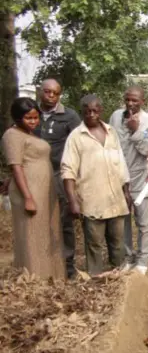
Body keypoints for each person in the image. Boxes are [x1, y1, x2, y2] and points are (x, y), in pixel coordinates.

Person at [61, 95, 133, 276]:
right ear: (82, 112)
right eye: (87, 112)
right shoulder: (76, 137)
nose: (91, 114)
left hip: (115, 197)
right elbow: (68, 170)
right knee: (94, 243)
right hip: (92, 199)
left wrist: (126, 191)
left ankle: (119, 277)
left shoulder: (111, 132)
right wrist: (73, 201)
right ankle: (95, 278)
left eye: (94, 111)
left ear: (101, 111)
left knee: (117, 241)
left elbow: (121, 163)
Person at [2, 98, 64, 278]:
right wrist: (28, 197)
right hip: (29, 192)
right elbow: (16, 166)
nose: (33, 122)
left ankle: (51, 276)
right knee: (31, 236)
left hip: (44, 192)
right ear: (17, 118)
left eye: (36, 117)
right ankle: (35, 278)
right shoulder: (12, 135)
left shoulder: (30, 134)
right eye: (29, 118)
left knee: (46, 233)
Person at [108, 86, 148, 274]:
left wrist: (137, 130)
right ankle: (128, 257)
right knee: (123, 220)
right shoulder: (115, 116)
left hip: (140, 178)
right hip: (119, 178)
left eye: (135, 100)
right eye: (128, 99)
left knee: (143, 222)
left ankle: (143, 260)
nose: (130, 103)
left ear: (143, 101)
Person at [33, 78, 81, 278]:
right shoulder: (30, 113)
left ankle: (68, 266)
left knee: (64, 220)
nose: (51, 96)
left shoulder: (69, 116)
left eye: (55, 93)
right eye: (47, 92)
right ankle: (42, 264)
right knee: (38, 219)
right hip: (34, 175)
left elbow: (79, 144)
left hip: (59, 175)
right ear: (40, 92)